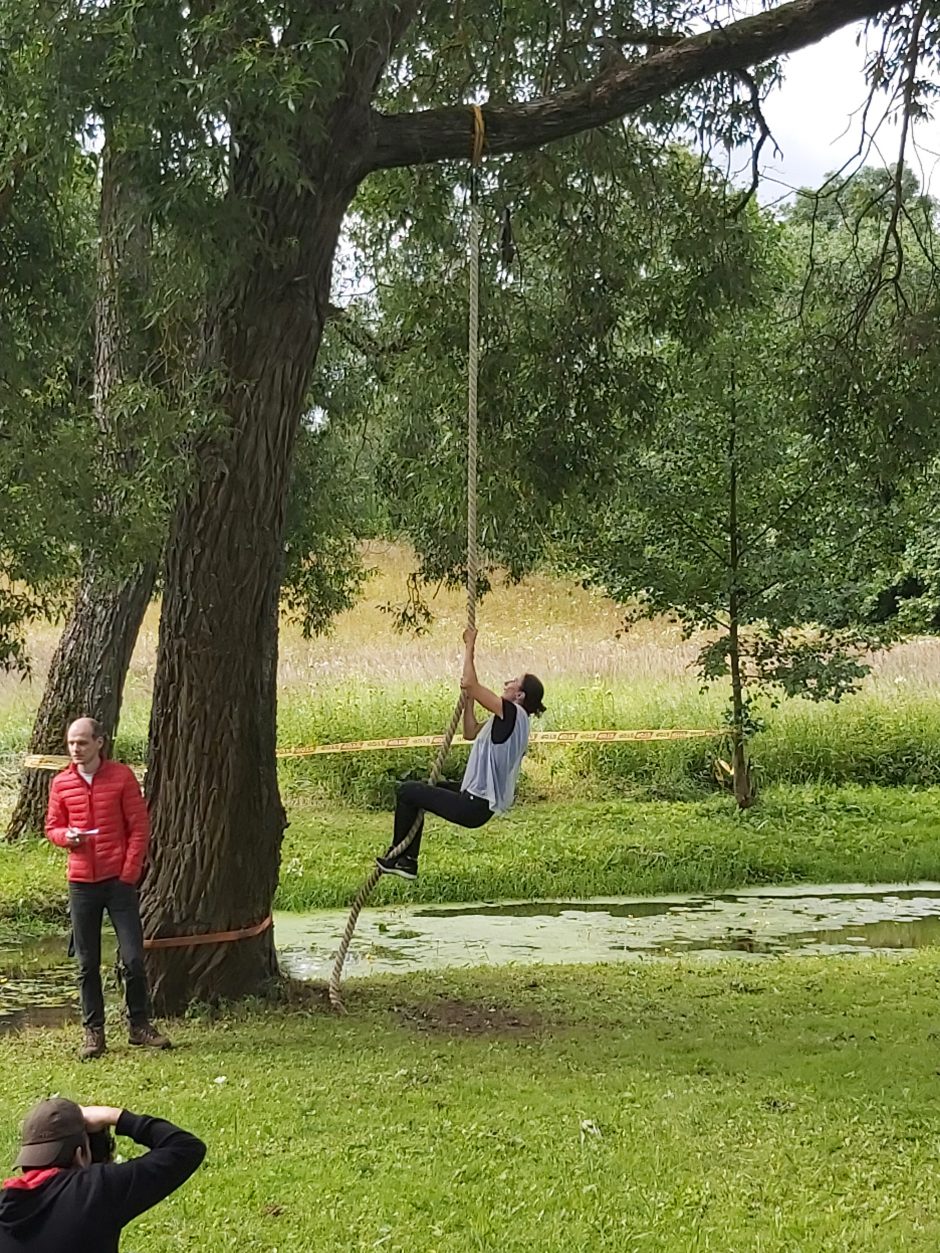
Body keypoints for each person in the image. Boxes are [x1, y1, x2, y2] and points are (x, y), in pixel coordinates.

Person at [45, 717, 170, 1059]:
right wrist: (65, 838)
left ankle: (139, 1025)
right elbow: (52, 826)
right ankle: (93, 1033)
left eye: (82, 742)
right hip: (81, 882)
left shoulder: (121, 777)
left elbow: (139, 826)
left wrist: (128, 871)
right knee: (87, 963)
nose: (75, 749)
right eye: (71, 743)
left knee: (133, 957)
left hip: (118, 882)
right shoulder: (61, 783)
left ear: (100, 742)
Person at [376, 628, 545, 880]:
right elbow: (469, 732)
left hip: (473, 805)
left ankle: (405, 859)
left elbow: (470, 682)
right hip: (475, 800)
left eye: (512, 682)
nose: (506, 683)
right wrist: (468, 701)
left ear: (519, 695)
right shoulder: (512, 720)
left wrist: (470, 646)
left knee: (407, 791)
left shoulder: (511, 712)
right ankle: (404, 858)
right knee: (423, 790)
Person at [0, 1097, 205, 1253]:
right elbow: (186, 1148)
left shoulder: (4, 1205)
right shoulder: (96, 1191)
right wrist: (117, 1116)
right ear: (81, 1155)